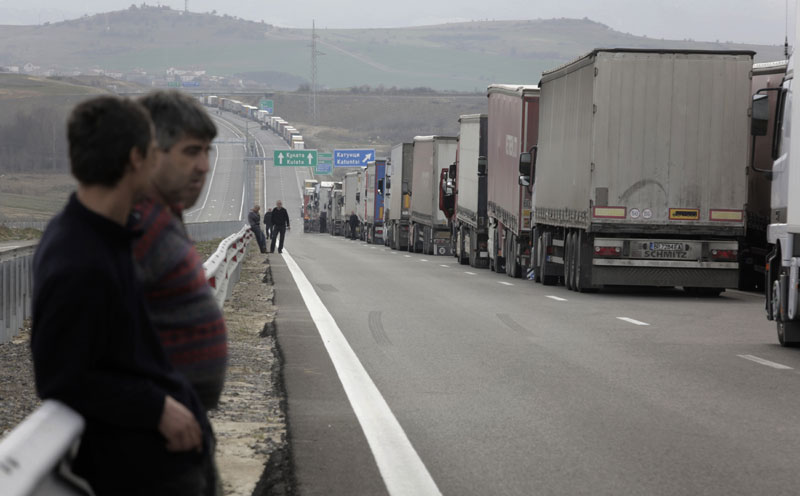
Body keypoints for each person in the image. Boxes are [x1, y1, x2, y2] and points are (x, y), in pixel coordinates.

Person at [31, 96, 213, 495]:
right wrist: (156, 407)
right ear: (136, 158)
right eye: (153, 152)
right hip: (138, 474)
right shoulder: (79, 257)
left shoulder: (108, 237)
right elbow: (62, 375)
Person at [132, 90, 227, 413]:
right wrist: (155, 407)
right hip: (145, 435)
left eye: (206, 152)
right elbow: (82, 352)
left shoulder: (165, 218)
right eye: (191, 152)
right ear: (149, 153)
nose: (204, 167)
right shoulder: (134, 229)